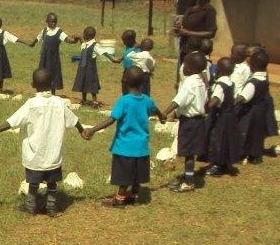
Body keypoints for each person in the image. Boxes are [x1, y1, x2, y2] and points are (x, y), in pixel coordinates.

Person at [0, 68, 86, 216]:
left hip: (34, 154)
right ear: (52, 84)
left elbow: (12, 122)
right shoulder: (59, 103)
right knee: (52, 183)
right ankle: (51, 207)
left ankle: (30, 206)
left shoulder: (31, 104)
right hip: (53, 154)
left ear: (32, 84)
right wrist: (82, 130)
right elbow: (74, 120)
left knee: (33, 182)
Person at [82, 67, 161, 207]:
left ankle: (119, 199)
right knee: (137, 174)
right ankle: (135, 195)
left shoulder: (124, 101)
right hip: (142, 147)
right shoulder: (147, 100)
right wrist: (162, 116)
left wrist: (93, 130)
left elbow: (112, 119)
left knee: (124, 175)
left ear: (124, 82)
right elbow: (156, 109)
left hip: (125, 147)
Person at [158, 52, 208, 192]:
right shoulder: (201, 80)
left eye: (185, 64)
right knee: (189, 153)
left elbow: (178, 100)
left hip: (190, 122)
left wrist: (164, 113)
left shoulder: (190, 82)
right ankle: (187, 177)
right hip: (198, 121)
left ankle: (189, 182)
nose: (183, 67)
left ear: (191, 67)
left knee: (188, 153)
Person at [235, 48, 275, 165]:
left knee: (246, 132)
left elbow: (244, 97)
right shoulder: (264, 78)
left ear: (253, 65)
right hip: (261, 110)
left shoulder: (253, 82)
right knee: (258, 134)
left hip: (251, 112)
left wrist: (235, 101)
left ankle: (243, 152)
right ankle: (256, 156)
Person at [203, 57, 241, 177]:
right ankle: (225, 163)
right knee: (227, 140)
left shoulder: (220, 85)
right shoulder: (231, 83)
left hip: (221, 117)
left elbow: (215, 100)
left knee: (217, 140)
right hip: (230, 116)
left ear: (218, 69)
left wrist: (207, 106)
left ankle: (217, 165)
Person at [26, 12, 78, 93]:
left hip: (53, 58)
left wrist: (74, 40)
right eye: (51, 21)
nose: (53, 23)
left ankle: (53, 92)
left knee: (53, 73)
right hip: (44, 57)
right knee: (42, 73)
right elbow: (38, 37)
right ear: (47, 21)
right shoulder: (44, 31)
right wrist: (33, 43)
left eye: (55, 22)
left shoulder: (59, 32)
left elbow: (67, 39)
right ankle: (42, 90)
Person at [72, 27, 118, 107]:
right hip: (82, 68)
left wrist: (112, 59)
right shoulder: (85, 44)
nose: (83, 35)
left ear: (87, 35)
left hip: (90, 68)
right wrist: (79, 38)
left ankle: (94, 101)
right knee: (83, 82)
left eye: (84, 34)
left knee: (92, 84)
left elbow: (104, 53)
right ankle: (84, 99)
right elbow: (82, 43)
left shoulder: (95, 46)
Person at [174, 0, 217, 65]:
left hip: (198, 50)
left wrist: (187, 32)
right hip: (185, 46)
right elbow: (189, 25)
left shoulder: (209, 10)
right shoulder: (191, 7)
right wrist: (180, 25)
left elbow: (211, 33)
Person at [0, 16, 30, 93]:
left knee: (0, 73)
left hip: (1, 58)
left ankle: (0, 89)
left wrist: (26, 42)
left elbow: (15, 38)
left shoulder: (4, 34)